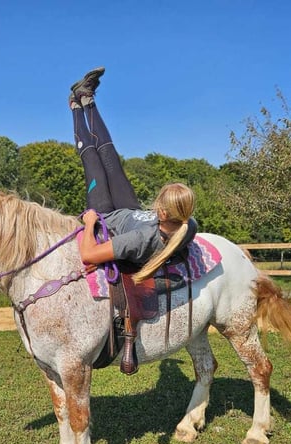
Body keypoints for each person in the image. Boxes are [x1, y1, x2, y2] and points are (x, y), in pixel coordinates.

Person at [70, 67, 197, 283]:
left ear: (164, 214)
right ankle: (86, 97)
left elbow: (88, 255)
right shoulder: (189, 224)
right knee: (109, 154)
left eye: (158, 204)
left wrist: (90, 222)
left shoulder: (141, 239)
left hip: (107, 216)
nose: (155, 206)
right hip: (129, 209)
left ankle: (74, 105)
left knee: (92, 160)